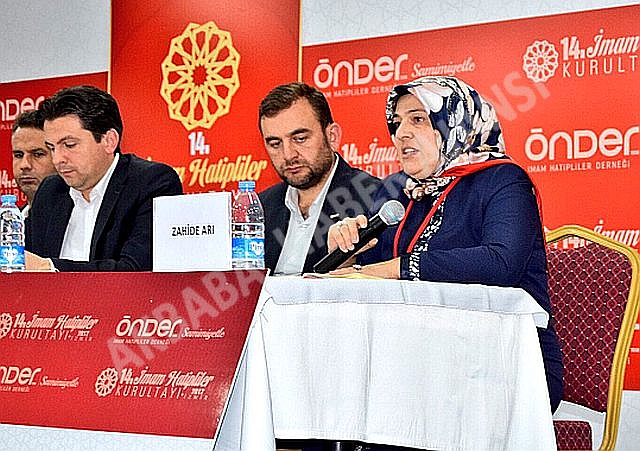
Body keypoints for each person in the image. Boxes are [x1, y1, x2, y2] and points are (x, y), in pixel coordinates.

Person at [328, 76, 563, 438]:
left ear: (455, 123)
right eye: (397, 123)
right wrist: (346, 255)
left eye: (418, 119)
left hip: (505, 362)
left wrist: (399, 268)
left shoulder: (503, 180)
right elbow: (371, 274)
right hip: (414, 358)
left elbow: (501, 264)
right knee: (338, 411)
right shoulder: (397, 190)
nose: (401, 133)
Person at [25, 85, 183, 271]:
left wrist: (48, 267)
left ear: (109, 141)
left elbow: (135, 270)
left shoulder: (152, 183)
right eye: (51, 148)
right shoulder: (50, 191)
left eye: (69, 145)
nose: (57, 159)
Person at [258, 82, 380, 275]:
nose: (288, 155)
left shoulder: (374, 199)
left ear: (332, 136)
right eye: (275, 143)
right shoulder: (260, 208)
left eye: (300, 139)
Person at [11, 109, 57, 217]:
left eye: (38, 154)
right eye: (19, 155)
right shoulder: (9, 222)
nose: (24, 165)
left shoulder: (78, 219)